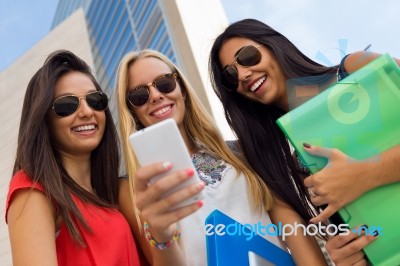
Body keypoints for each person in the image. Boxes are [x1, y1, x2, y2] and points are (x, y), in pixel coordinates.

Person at [208, 18, 400, 265]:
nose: (243, 74)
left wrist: (366, 173)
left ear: (273, 45)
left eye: (247, 56)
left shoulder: (355, 69)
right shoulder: (285, 160)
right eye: (230, 76)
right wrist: (347, 256)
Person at [114, 49, 328, 265]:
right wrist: (162, 236)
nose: (156, 96)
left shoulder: (240, 152)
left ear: (183, 90)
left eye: (164, 83)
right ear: (132, 111)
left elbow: (293, 231)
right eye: (139, 95)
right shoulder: (132, 189)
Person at [5, 50, 140, 266]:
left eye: (95, 100)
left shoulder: (112, 195)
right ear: (44, 120)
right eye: (67, 105)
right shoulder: (33, 188)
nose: (87, 112)